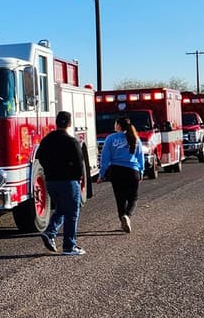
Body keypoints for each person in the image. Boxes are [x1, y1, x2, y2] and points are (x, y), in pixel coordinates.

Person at [35, 110, 87, 256]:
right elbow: (79, 163)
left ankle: (50, 233)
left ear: (56, 123)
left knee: (62, 209)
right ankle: (69, 246)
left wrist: (50, 171)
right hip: (68, 181)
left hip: (51, 181)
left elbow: (40, 158)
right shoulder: (71, 141)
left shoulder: (46, 140)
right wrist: (77, 177)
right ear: (69, 123)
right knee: (72, 213)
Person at [99, 115, 146, 233]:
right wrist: (141, 171)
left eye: (115, 124)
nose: (114, 126)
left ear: (118, 126)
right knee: (133, 198)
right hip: (132, 171)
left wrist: (102, 173)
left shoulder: (110, 138)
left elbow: (105, 157)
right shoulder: (135, 138)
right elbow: (140, 157)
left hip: (116, 171)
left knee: (120, 198)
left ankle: (122, 219)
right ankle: (127, 216)